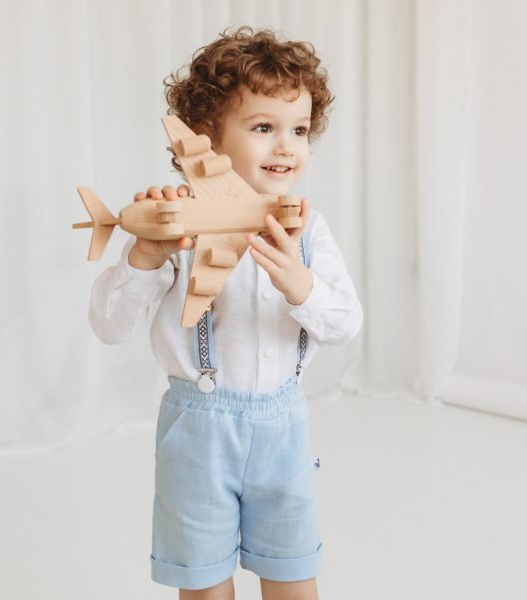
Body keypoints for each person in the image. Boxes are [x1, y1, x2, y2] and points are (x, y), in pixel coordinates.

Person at [88, 26, 362, 600]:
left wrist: (299, 284)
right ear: (206, 138)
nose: (286, 145)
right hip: (197, 431)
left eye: (299, 130)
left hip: (283, 429)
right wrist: (145, 255)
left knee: (292, 575)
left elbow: (344, 324)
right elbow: (110, 327)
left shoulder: (308, 231)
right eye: (264, 128)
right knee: (204, 583)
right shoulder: (181, 220)